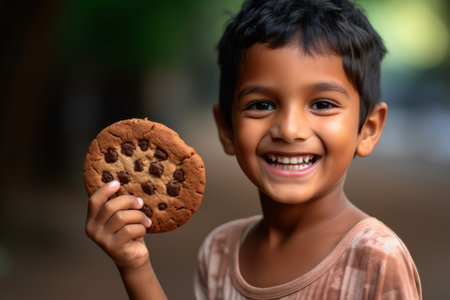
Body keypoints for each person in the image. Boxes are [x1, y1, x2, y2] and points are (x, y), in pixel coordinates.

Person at [85, 0, 422, 299]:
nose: (290, 130)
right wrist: (135, 266)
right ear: (227, 129)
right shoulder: (220, 250)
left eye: (321, 104)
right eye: (261, 105)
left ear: (368, 129)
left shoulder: (377, 259)